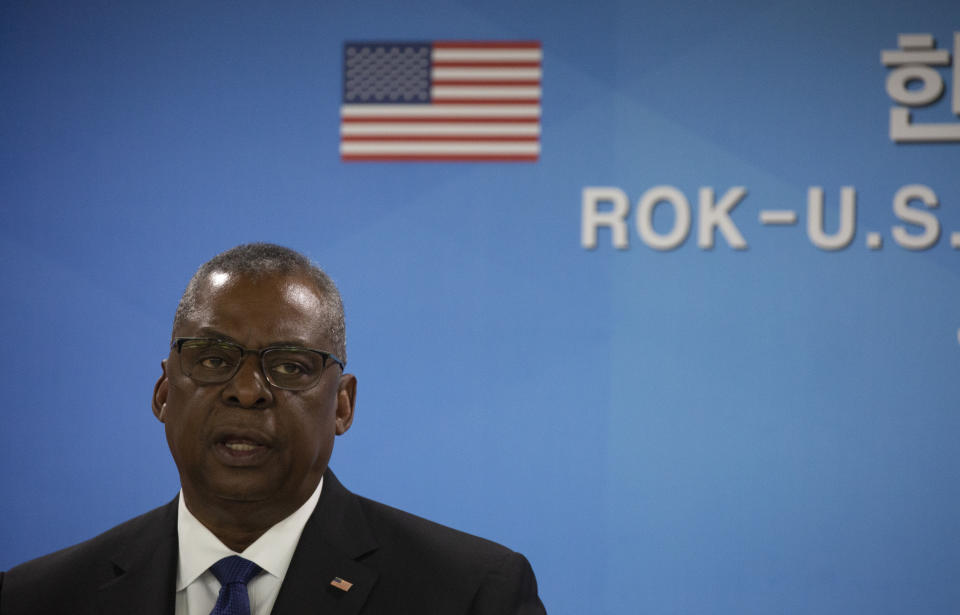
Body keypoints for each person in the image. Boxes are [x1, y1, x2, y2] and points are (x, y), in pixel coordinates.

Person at [0, 243, 546, 615]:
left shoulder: (471, 595)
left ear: (343, 406)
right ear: (164, 392)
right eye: (213, 359)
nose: (246, 390)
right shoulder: (35, 598)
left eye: (289, 366)